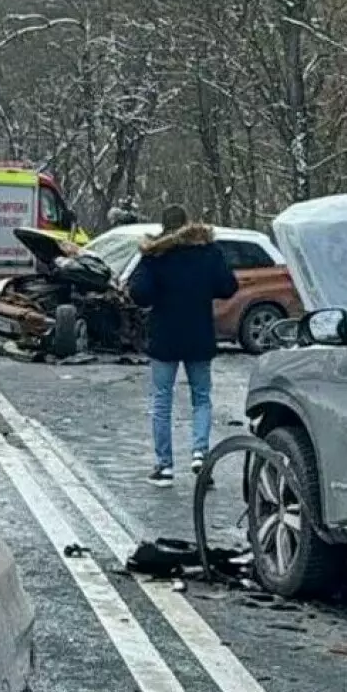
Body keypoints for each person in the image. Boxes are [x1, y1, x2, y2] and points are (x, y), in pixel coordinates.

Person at [126, 204, 238, 483]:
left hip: (164, 337)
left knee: (162, 400)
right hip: (199, 335)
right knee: (201, 397)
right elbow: (228, 286)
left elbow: (139, 293)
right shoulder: (208, 253)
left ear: (164, 227)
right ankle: (200, 453)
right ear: (188, 224)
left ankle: (164, 467)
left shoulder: (156, 256)